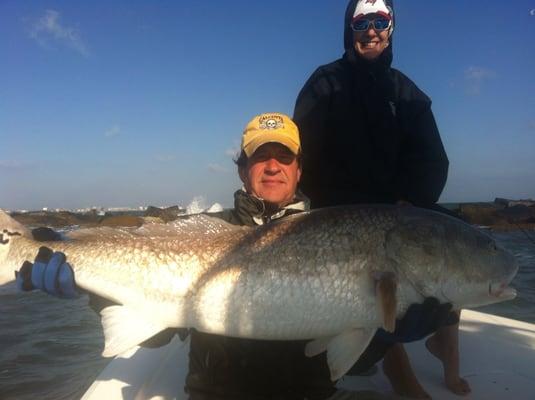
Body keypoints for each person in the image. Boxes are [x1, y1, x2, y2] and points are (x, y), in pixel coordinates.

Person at [18, 112, 456, 400]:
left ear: (299, 168)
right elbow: (156, 336)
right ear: (243, 169)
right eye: (259, 156)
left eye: (283, 156)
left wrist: (392, 327)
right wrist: (93, 291)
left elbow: (352, 358)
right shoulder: (207, 230)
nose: (272, 166)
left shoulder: (334, 231)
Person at [293, 0, 469, 398]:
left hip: (398, 210)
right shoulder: (324, 84)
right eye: (362, 22)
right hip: (339, 213)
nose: (371, 30)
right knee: (381, 274)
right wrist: (330, 205)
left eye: (380, 21)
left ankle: (447, 345)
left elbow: (432, 159)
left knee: (457, 238)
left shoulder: (408, 93)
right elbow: (306, 155)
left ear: (391, 28)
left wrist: (412, 199)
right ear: (349, 29)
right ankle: (398, 370)